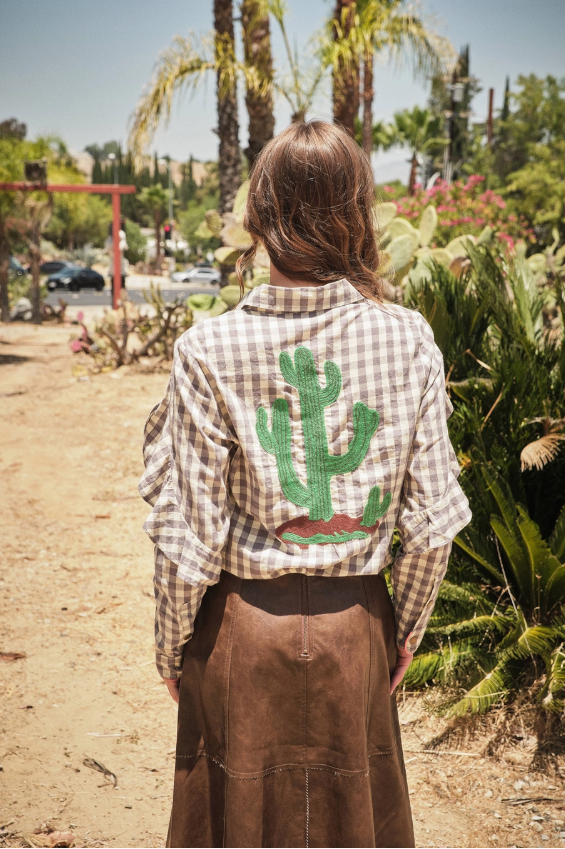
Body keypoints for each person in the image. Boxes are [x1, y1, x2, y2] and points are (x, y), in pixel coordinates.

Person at [139, 121, 471, 849]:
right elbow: (431, 523)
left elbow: (186, 538)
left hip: (237, 639)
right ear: (357, 213)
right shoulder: (406, 336)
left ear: (258, 216)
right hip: (356, 629)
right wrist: (402, 631)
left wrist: (171, 648)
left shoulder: (206, 348)